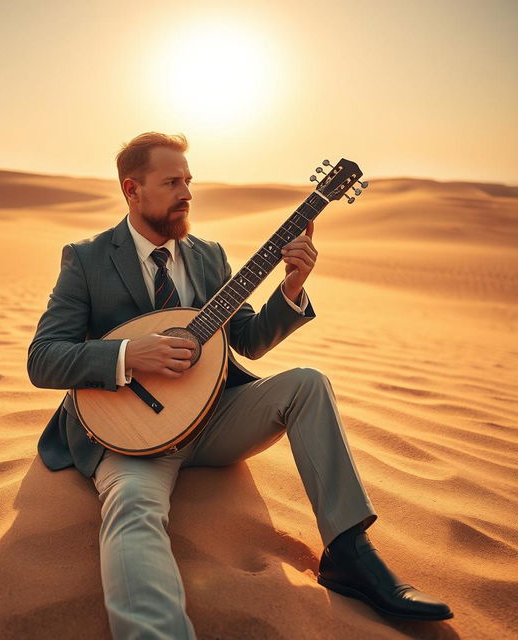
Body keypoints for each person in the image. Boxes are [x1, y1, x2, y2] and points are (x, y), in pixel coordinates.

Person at [27, 132, 453, 639]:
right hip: (130, 434)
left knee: (307, 383)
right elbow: (43, 359)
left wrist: (290, 287)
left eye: (188, 181)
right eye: (171, 182)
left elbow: (246, 339)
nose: (186, 192)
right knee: (133, 512)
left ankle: (349, 554)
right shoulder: (88, 258)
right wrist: (129, 353)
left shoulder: (208, 256)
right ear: (132, 190)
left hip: (211, 419)